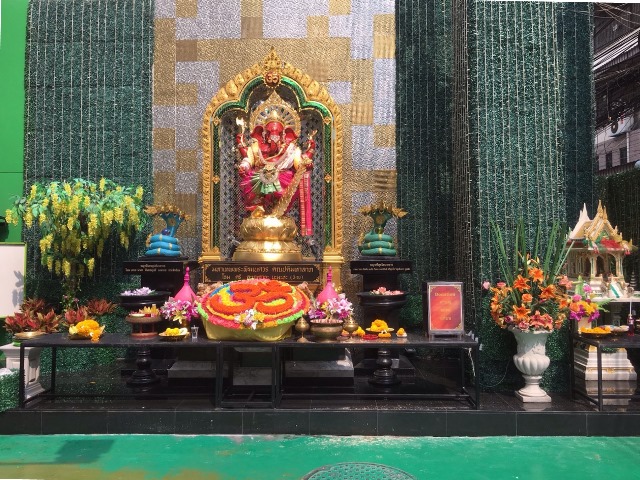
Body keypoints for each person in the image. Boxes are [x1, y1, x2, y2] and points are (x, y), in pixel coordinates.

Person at [235, 92, 315, 236]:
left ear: (285, 134)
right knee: (252, 178)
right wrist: (244, 167)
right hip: (260, 179)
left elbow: (299, 164)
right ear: (263, 134)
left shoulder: (291, 150)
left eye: (277, 133)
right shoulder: (256, 147)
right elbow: (248, 159)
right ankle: (259, 210)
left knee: (287, 179)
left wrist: (306, 161)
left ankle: (278, 213)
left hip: (282, 183)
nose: (274, 136)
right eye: (270, 133)